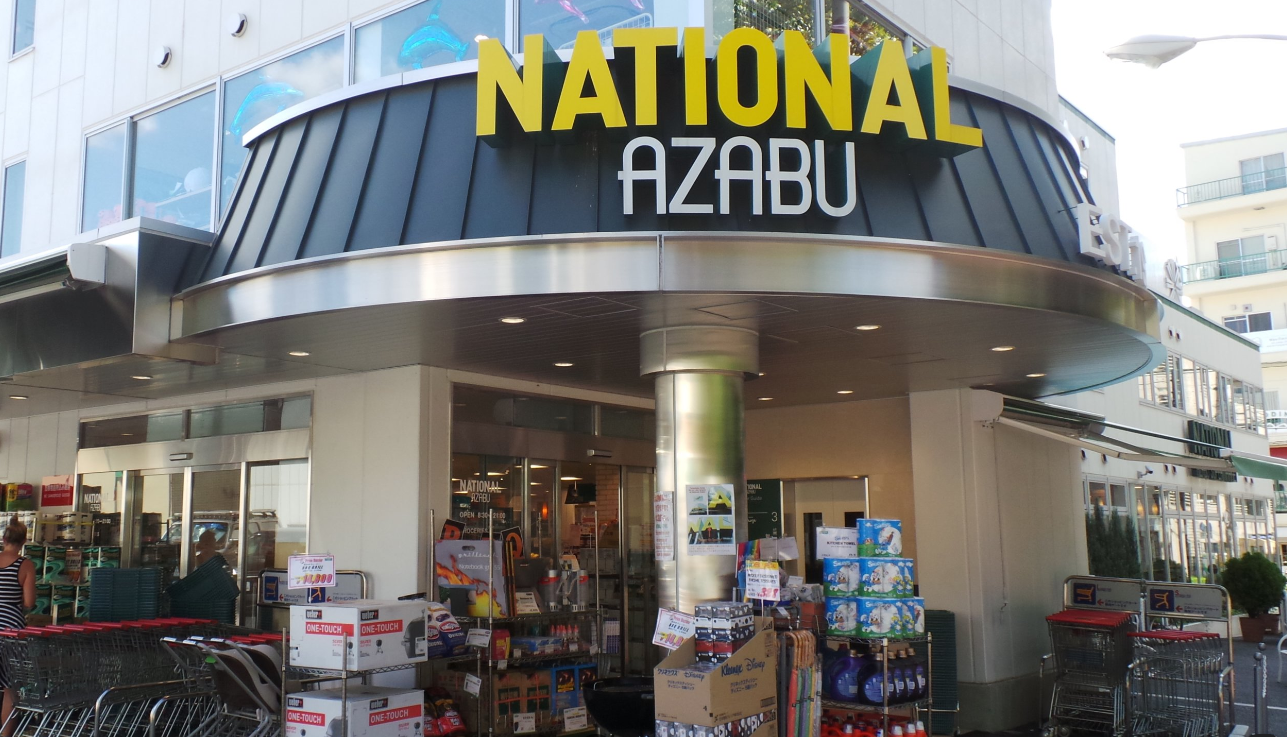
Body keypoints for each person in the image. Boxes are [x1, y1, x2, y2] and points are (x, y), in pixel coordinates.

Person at [0, 515, 35, 736]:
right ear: (23, 541)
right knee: (10, 688)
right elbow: (29, 602)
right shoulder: (25, 565)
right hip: (11, 628)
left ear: (3, 539)